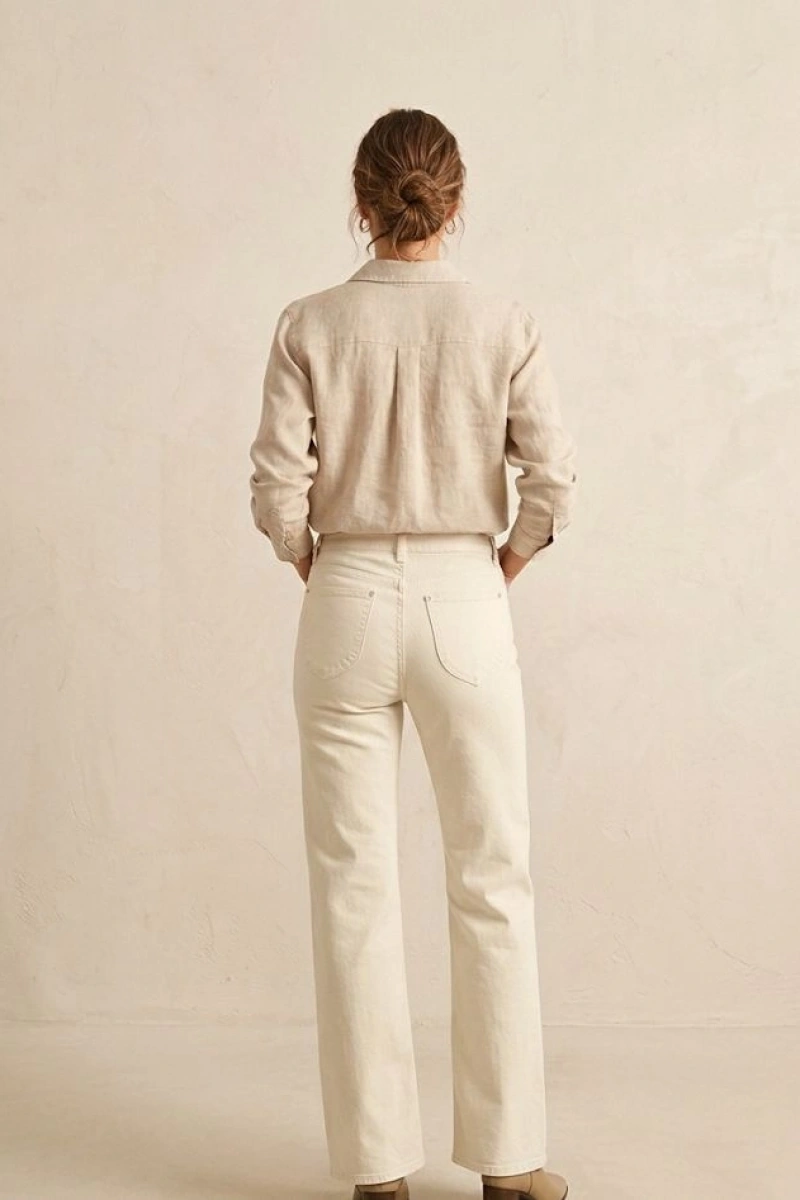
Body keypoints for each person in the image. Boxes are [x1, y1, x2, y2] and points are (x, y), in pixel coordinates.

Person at [248, 107, 576, 1200]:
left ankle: (377, 1171)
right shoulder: (502, 322)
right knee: (492, 875)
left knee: (351, 883)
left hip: (343, 593)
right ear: (455, 197)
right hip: (464, 595)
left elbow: (276, 489)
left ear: (360, 199)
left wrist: (314, 560)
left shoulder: (308, 323)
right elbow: (552, 483)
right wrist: (503, 562)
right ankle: (509, 1163)